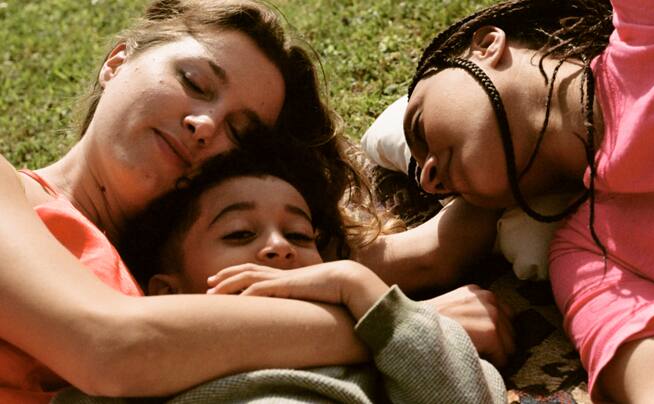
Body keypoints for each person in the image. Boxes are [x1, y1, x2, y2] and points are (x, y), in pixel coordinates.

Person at [0, 0, 389, 401]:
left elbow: (387, 261)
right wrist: (390, 327)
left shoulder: (185, 276)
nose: (205, 125)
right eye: (194, 82)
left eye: (237, 132)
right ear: (117, 62)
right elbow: (110, 346)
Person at [393, 0, 654, 401]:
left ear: (486, 43)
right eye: (439, 188)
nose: (430, 180)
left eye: (419, 126)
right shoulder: (588, 260)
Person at [52, 143, 506, 403]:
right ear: (167, 293)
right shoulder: (150, 372)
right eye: (238, 233)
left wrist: (364, 291)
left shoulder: (384, 354)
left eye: (300, 235)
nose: (278, 247)